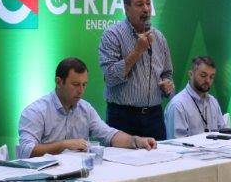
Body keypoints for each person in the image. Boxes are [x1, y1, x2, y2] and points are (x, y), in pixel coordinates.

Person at [18, 57, 157, 158]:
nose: (81, 90)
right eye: (75, 84)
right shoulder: (35, 111)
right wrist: (63, 145)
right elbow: (26, 151)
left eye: (84, 84)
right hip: (44, 177)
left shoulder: (85, 108)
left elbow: (109, 134)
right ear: (59, 82)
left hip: (79, 173)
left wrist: (136, 141)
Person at [99, 0, 174, 140]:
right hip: (123, 116)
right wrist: (137, 51)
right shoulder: (112, 35)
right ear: (127, 9)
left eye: (148, 3)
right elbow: (111, 77)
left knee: (160, 163)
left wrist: (167, 84)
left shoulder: (159, 37)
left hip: (154, 116)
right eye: (140, 5)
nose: (146, 9)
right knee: (121, 162)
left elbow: (167, 73)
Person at [165, 56, 226, 138]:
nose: (208, 80)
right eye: (203, 75)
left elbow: (222, 133)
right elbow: (177, 143)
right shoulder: (178, 105)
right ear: (191, 74)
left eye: (211, 77)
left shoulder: (213, 102)